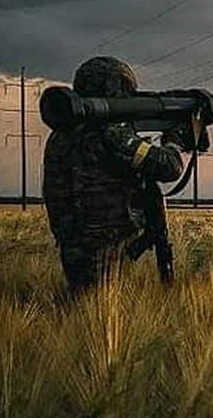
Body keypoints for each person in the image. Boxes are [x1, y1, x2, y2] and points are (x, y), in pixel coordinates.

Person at [42, 56, 189, 293]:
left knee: (83, 299)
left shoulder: (60, 134)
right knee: (102, 306)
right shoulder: (110, 132)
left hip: (72, 242)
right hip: (107, 244)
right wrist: (174, 142)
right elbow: (169, 168)